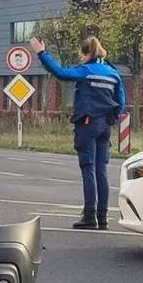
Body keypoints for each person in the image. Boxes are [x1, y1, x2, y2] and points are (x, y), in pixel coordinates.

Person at [29, 35, 125, 230]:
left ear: (88, 53)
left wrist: (41, 53)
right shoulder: (113, 73)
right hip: (105, 126)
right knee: (101, 171)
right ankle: (103, 217)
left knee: (88, 168)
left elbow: (61, 73)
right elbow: (121, 101)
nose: (80, 58)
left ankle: (89, 216)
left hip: (87, 123)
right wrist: (112, 116)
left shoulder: (86, 71)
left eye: (81, 55)